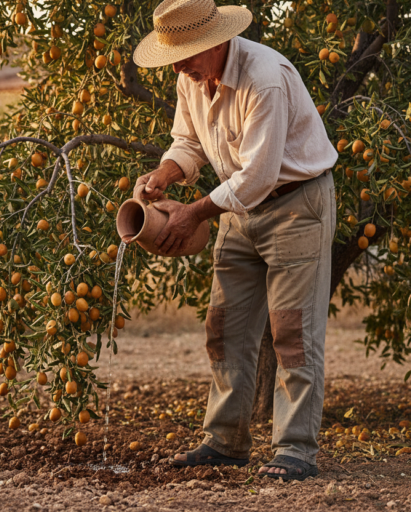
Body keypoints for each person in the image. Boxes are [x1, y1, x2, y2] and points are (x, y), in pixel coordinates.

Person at [131, 0, 338, 481]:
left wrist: (195, 213)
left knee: (292, 331)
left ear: (217, 41)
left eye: (185, 55)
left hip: (294, 203)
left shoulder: (264, 76)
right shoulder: (190, 77)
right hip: (236, 206)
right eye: (173, 56)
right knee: (225, 326)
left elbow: (261, 175)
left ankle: (295, 450)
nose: (179, 66)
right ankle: (225, 441)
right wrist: (165, 171)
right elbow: (188, 141)